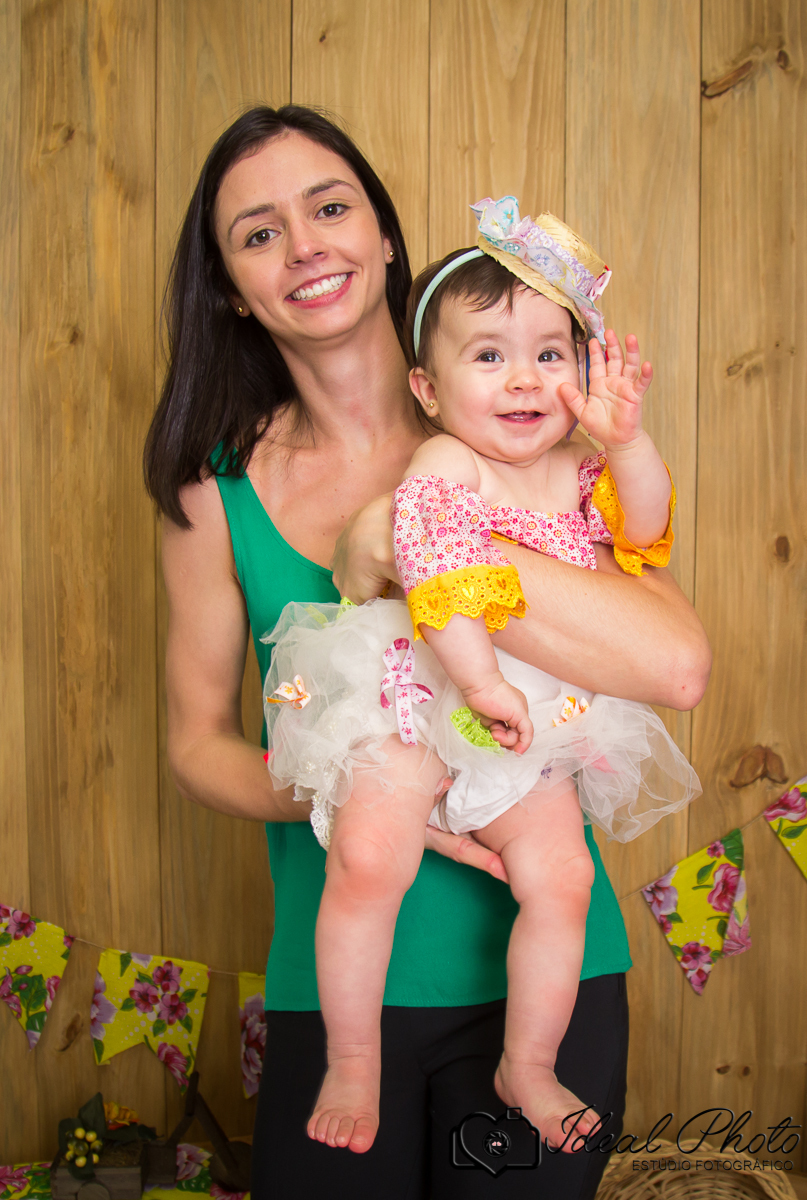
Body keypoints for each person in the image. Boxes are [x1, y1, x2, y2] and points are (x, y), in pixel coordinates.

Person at [144, 106, 710, 1200]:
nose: (305, 244)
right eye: (258, 233)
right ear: (226, 283)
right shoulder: (213, 493)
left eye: (330, 206)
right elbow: (195, 745)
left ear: (385, 236)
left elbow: (676, 665)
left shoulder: (532, 434)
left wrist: (408, 544)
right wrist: (350, 782)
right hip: (342, 987)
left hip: (550, 974)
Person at [264, 199, 701, 1155]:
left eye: (552, 353)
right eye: (489, 355)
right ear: (427, 386)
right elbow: (433, 563)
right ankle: (351, 1055)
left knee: (562, 877)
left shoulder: (579, 472)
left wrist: (625, 443)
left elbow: (641, 531)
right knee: (370, 857)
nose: (523, 379)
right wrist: (481, 679)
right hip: (419, 690)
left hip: (531, 718)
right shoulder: (447, 460)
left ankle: (528, 1063)